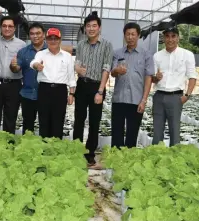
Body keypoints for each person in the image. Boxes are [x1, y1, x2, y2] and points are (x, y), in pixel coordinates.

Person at [73, 11, 113, 169]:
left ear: (99, 28)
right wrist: (77, 68)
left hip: (97, 85)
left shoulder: (107, 45)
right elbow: (77, 62)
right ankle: (76, 150)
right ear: (85, 28)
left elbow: (106, 68)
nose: (91, 29)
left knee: (94, 122)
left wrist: (100, 91)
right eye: (88, 26)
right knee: (79, 119)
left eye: (94, 26)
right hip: (82, 84)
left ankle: (90, 154)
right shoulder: (81, 44)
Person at [110, 22, 154, 149]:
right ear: (124, 36)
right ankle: (116, 159)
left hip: (136, 100)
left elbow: (148, 77)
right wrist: (117, 71)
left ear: (138, 35)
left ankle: (128, 161)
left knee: (132, 133)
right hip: (119, 98)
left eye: (133, 34)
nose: (130, 37)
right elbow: (112, 73)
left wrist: (144, 100)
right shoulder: (117, 53)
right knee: (117, 132)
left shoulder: (146, 54)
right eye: (128, 34)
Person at [152, 26, 197, 146]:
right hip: (159, 96)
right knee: (157, 131)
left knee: (174, 130)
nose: (170, 39)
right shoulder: (157, 56)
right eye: (167, 36)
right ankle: (156, 157)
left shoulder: (187, 55)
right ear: (163, 38)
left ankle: (173, 159)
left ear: (178, 38)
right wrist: (156, 78)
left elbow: (192, 76)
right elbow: (152, 79)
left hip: (176, 97)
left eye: (173, 36)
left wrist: (187, 95)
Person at [30, 28, 76, 139]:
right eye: (50, 38)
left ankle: (56, 149)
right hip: (44, 90)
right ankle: (44, 149)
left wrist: (71, 94)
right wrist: (37, 66)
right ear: (46, 40)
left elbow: (71, 77)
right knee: (44, 120)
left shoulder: (67, 56)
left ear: (60, 40)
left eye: (56, 38)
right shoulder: (41, 54)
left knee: (58, 121)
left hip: (60, 91)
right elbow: (33, 62)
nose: (53, 41)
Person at [0, 8, 26, 134]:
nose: (7, 28)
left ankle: (8, 144)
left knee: (11, 115)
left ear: (14, 28)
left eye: (10, 26)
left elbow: (24, 64)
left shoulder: (21, 44)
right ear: (1, 28)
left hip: (14, 85)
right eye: (4, 26)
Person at [9, 22, 47, 134]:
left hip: (46, 94)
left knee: (45, 124)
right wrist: (13, 65)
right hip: (27, 94)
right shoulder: (23, 52)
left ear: (44, 35)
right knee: (28, 124)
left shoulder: (50, 51)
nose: (35, 36)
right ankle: (27, 147)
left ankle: (45, 148)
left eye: (38, 33)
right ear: (29, 36)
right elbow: (16, 69)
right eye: (32, 34)